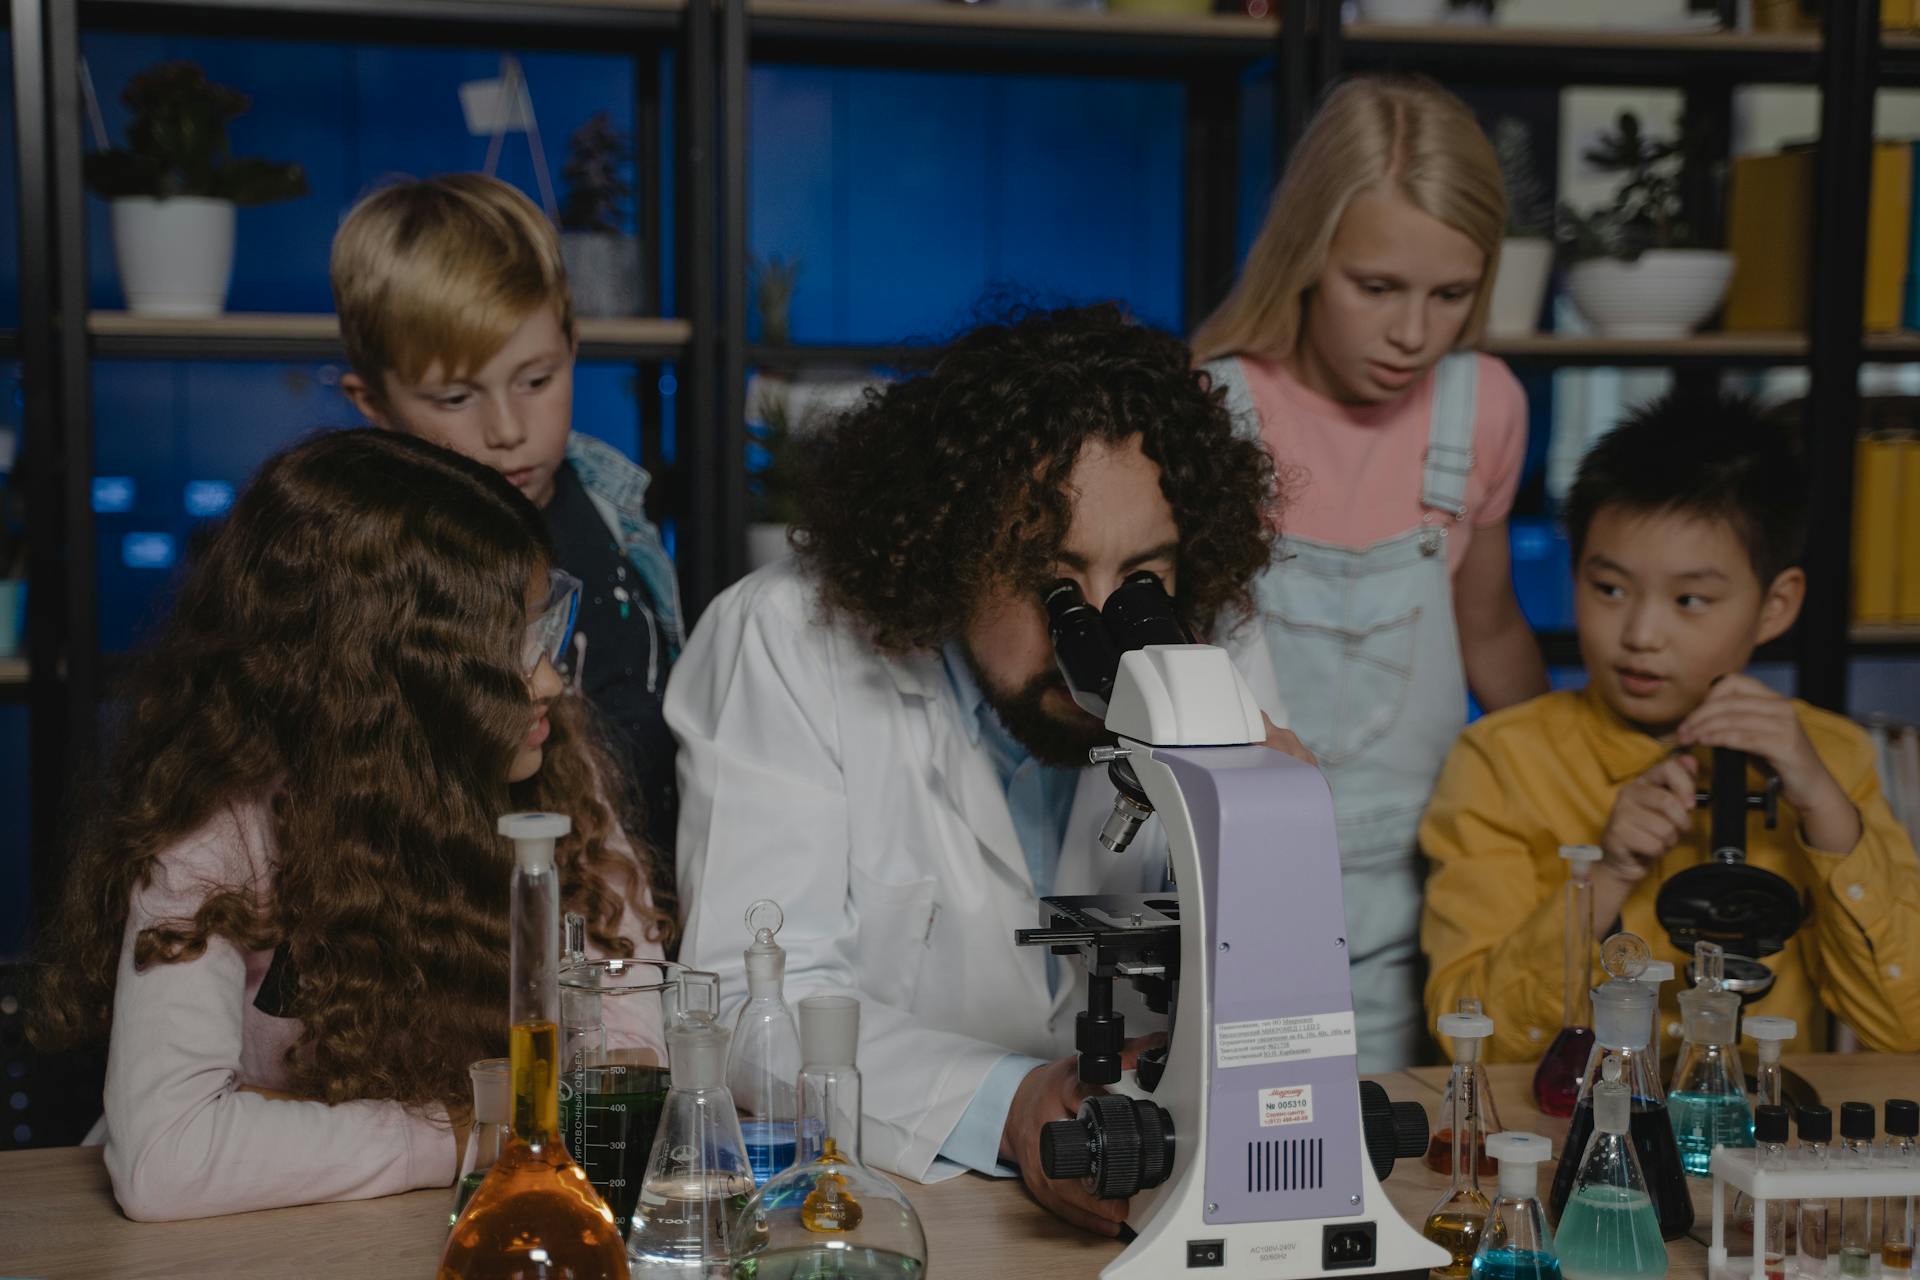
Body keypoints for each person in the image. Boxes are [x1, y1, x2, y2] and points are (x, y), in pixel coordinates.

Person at [668, 304, 1309, 1235]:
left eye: (1141, 578)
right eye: (1050, 579)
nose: (1093, 626)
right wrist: (1009, 1103)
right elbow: (746, 996)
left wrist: (1277, 837)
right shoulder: (784, 641)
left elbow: (1270, 970)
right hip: (901, 1215)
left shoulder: (1209, 642)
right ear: (947, 548)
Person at [28, 430, 677, 1221]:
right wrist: (476, 1131)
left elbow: (627, 1067)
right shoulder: (216, 829)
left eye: (542, 627)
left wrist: (308, 1127)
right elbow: (172, 1156)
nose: (547, 678)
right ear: (384, 679)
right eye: (506, 647)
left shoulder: (553, 768)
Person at [1190, 75, 1549, 1070]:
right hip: (1229, 880)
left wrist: (1570, 790)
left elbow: (1487, 626)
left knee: (1386, 1141)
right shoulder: (1210, 407)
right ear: (1306, 256)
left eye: (1451, 295)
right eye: (1377, 287)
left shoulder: (1486, 407)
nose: (1413, 334)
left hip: (1416, 881)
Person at [1420, 391, 1920, 1059]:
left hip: (1766, 1139)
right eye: (1610, 589)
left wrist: (1827, 813)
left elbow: (1904, 1029)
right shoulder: (1503, 759)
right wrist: (1608, 873)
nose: (1641, 635)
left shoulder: (1830, 756)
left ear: (1775, 607)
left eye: (1690, 600)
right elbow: (1469, 1038)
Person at [330, 172, 684, 858]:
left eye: (536, 380)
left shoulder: (620, 512)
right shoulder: (374, 574)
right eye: (456, 398)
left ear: (573, 344)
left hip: (640, 922)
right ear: (372, 403)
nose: (508, 429)